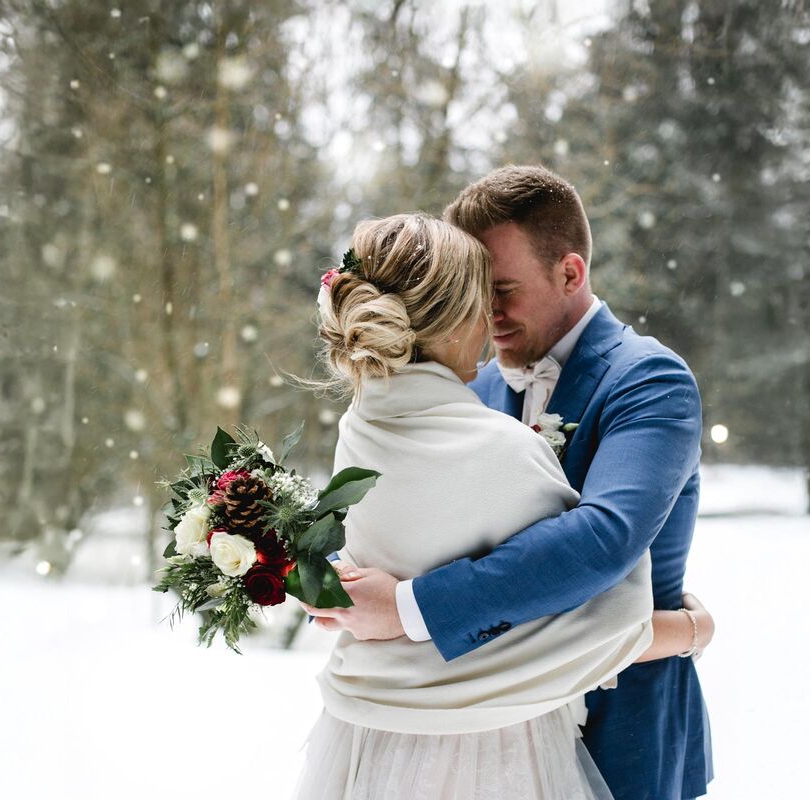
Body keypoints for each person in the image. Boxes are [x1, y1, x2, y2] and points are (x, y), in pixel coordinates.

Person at [305, 167, 715, 800]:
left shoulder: (649, 380)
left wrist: (410, 606)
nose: (484, 314)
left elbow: (605, 538)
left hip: (621, 718)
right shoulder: (475, 382)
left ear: (570, 274)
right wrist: (338, 573)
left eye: (501, 289)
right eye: (473, 296)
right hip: (472, 730)